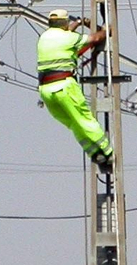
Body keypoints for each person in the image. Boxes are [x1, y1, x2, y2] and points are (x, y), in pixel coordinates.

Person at [36, 9, 114, 172]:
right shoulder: (69, 38)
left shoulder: (44, 38)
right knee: (84, 118)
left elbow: (66, 33)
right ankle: (108, 152)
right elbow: (95, 38)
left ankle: (94, 153)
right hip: (64, 85)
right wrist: (106, 31)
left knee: (73, 123)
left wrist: (78, 22)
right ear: (64, 23)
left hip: (46, 90)